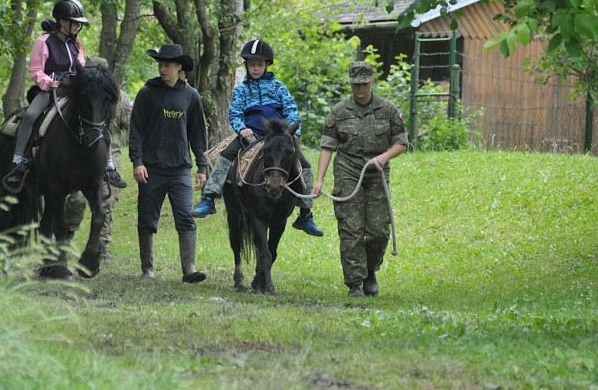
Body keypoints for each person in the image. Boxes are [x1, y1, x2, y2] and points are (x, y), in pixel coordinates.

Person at [191, 38, 324, 237]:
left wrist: (293, 134)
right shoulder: (242, 89)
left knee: (304, 165)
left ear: (266, 65)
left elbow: (291, 110)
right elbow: (234, 112)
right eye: (252, 65)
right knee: (226, 155)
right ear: (246, 65)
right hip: (250, 134)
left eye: (259, 65)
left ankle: (305, 213)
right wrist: (241, 128)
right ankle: (209, 197)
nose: (255, 69)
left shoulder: (278, 87)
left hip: (277, 136)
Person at [3, 0, 127, 191]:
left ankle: (109, 167)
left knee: (96, 116)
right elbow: (35, 70)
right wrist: (47, 82)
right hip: (50, 89)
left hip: (73, 90)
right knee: (30, 115)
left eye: (79, 23)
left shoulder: (76, 44)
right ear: (62, 21)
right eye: (75, 22)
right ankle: (19, 160)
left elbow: (81, 70)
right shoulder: (43, 42)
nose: (78, 26)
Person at [311, 60, 408, 298]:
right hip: (348, 170)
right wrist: (319, 180)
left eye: (364, 83)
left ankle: (370, 272)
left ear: (372, 81)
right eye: (356, 84)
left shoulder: (388, 110)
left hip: (376, 173)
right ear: (350, 83)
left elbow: (402, 142)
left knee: (378, 231)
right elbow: (327, 146)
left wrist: (384, 157)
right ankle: (355, 283)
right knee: (351, 228)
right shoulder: (339, 112)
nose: (360, 88)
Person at [129, 43, 208, 283]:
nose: (162, 69)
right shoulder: (146, 93)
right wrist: (137, 161)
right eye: (160, 64)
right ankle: (147, 269)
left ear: (179, 67)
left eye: (167, 65)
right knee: (147, 218)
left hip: (180, 169)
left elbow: (198, 134)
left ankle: (189, 269)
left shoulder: (191, 96)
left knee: (186, 216)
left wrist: (202, 167)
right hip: (151, 169)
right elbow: (136, 131)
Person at [64, 56, 132, 259]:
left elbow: (131, 124)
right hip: (82, 152)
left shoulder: (120, 97)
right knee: (76, 198)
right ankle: (67, 236)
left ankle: (101, 245)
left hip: (111, 154)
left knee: (107, 199)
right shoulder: (81, 94)